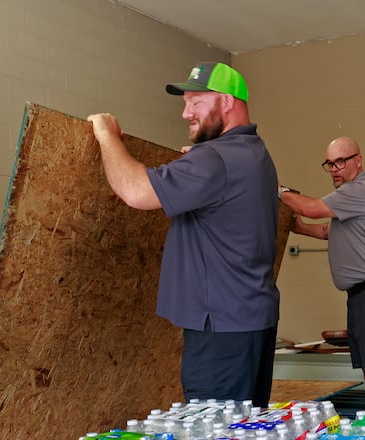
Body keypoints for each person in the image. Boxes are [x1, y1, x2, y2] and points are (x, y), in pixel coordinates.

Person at [87, 61, 280, 407]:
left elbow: (135, 191)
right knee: (245, 427)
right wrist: (202, 163)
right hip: (249, 322)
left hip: (221, 329)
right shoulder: (254, 154)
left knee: (214, 428)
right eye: (185, 103)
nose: (185, 113)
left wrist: (106, 135)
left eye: (196, 102)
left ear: (227, 101)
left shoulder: (215, 161)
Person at [279, 136, 365, 404]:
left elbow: (312, 208)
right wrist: (300, 228)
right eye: (330, 163)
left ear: (358, 161)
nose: (335, 169)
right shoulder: (350, 200)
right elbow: (329, 230)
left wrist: (279, 191)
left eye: (340, 161)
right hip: (364, 293)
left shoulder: (358, 190)